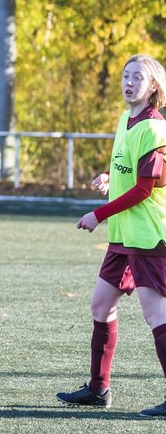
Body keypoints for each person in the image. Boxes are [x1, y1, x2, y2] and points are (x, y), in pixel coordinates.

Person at [58, 54, 166, 414]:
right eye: (125, 75)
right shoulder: (126, 120)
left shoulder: (154, 128)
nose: (129, 81)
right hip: (125, 235)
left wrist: (97, 215)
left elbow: (144, 190)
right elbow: (126, 171)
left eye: (138, 76)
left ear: (153, 87)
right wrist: (109, 177)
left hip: (149, 237)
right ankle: (98, 389)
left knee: (157, 316)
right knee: (101, 306)